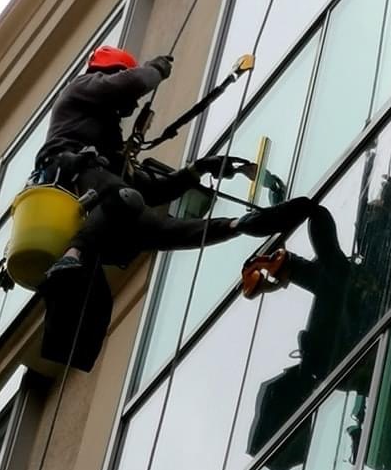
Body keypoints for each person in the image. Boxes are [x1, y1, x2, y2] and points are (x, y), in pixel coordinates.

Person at [31, 44, 308, 370]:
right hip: (66, 173)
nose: (131, 107)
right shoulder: (81, 88)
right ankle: (73, 255)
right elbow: (134, 83)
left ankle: (237, 225)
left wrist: (199, 169)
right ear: (111, 71)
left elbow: (153, 190)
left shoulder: (109, 145)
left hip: (101, 195)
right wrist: (156, 69)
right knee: (126, 200)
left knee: (159, 229)